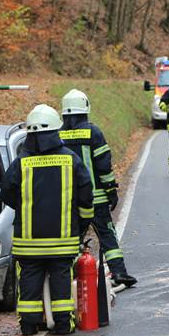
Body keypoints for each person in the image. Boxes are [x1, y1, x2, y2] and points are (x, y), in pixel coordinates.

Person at [0, 104, 94, 336]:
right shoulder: (71, 160)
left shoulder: (21, 162)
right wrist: (81, 227)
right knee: (61, 280)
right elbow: (86, 196)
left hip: (28, 243)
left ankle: (29, 325)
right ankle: (63, 324)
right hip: (62, 241)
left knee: (29, 281)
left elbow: (7, 194)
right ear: (55, 131)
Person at [60, 89, 137, 288]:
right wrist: (111, 190)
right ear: (85, 109)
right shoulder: (93, 132)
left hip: (69, 200)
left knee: (73, 239)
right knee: (106, 234)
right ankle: (119, 273)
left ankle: (69, 279)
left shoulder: (57, 135)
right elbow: (103, 165)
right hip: (96, 199)